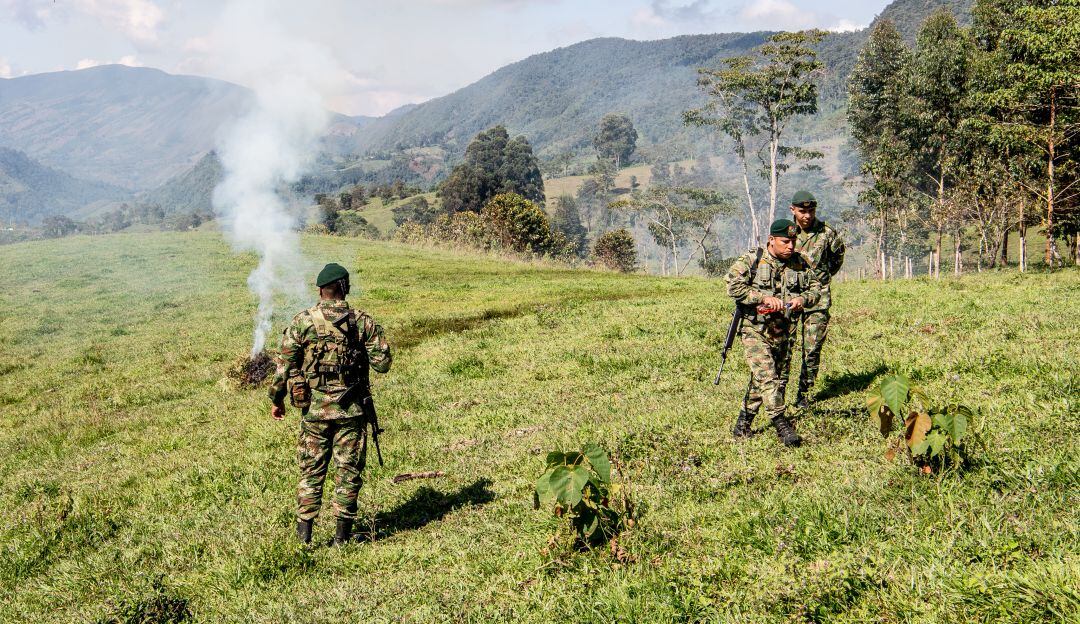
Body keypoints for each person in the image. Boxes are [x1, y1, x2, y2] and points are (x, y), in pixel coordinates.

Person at [268, 263, 392, 545]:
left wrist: (277, 401)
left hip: (313, 411)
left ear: (320, 290)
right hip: (351, 410)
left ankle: (304, 539)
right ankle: (341, 540)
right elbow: (383, 364)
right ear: (344, 287)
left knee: (311, 472)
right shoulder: (362, 321)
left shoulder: (302, 322)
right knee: (348, 472)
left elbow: (283, 368)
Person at [724, 219, 822, 447]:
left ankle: (743, 424)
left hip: (783, 331)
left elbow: (817, 289)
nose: (790, 246)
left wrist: (802, 300)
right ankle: (781, 424)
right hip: (755, 329)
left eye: (794, 241)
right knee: (768, 377)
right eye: (785, 241)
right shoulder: (753, 260)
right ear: (771, 240)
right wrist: (761, 298)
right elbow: (732, 285)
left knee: (767, 379)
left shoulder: (800, 262)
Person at [789, 191, 846, 408]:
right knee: (784, 349)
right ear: (792, 209)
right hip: (790, 298)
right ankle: (778, 392)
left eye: (811, 211)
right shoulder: (786, 231)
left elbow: (837, 258)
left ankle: (804, 394)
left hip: (818, 301)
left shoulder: (827, 233)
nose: (807, 215)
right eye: (802, 211)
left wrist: (821, 277)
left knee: (812, 348)